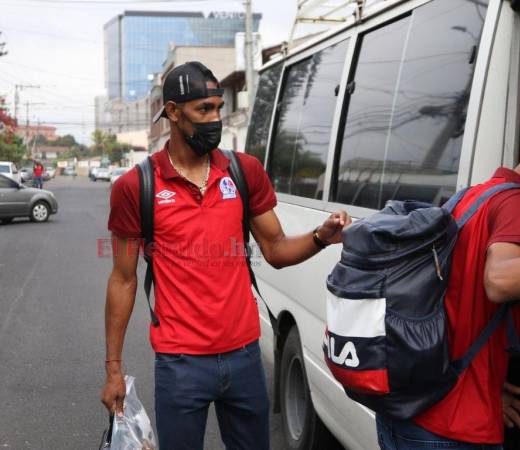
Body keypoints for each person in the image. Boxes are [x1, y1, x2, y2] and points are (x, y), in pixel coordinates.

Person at [100, 61, 351, 450]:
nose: (215, 118)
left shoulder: (243, 171)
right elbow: (123, 279)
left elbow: (276, 249)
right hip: (180, 363)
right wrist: (113, 369)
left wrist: (321, 236)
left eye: (218, 107)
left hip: (245, 357)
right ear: (172, 112)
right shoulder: (137, 187)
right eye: (204, 110)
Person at [376, 109, 520, 450]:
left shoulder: (472, 196)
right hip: (451, 427)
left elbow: (452, 301)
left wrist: (486, 380)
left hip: (410, 407)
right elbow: (501, 280)